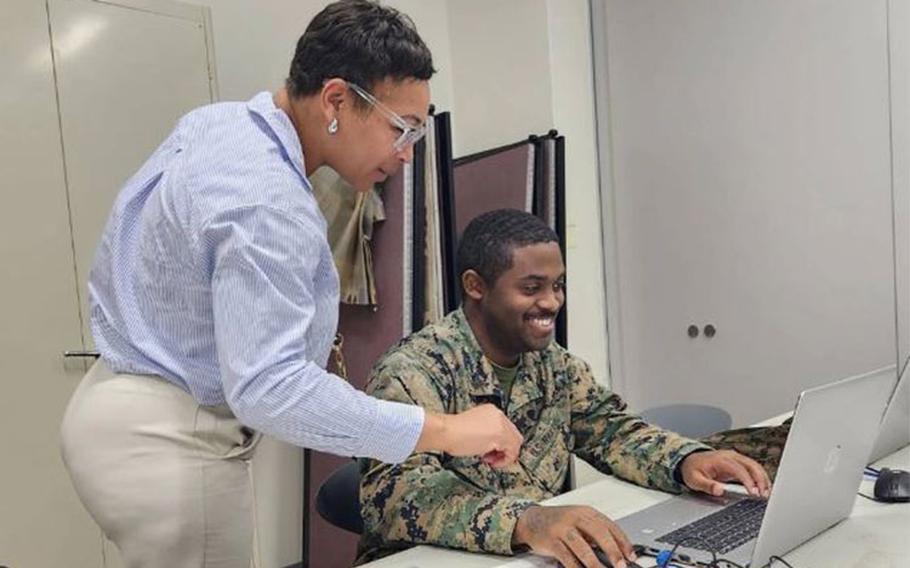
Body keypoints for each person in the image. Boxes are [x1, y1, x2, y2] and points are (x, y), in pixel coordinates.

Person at [59, 2, 522, 567]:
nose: (405, 154)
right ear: (335, 100)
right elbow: (270, 389)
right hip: (168, 441)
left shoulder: (224, 125)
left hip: (117, 409)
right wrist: (446, 430)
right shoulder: (267, 200)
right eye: (401, 129)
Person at [357, 209, 772, 568]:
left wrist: (686, 460)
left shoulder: (551, 363)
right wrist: (527, 521)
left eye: (558, 285)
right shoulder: (413, 372)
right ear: (476, 286)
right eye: (532, 288)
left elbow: (612, 431)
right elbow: (398, 498)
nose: (553, 302)